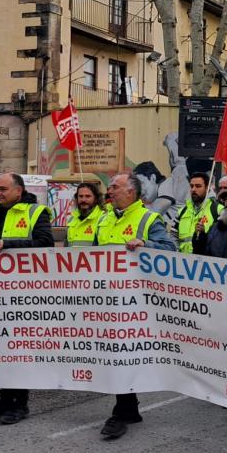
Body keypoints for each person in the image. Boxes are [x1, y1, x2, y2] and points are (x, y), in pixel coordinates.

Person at [95, 172, 176, 439]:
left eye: (116, 187)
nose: (110, 190)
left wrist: (146, 244)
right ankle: (129, 407)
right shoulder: (105, 218)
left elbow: (170, 250)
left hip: (135, 300)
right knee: (113, 351)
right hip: (106, 296)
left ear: (131, 192)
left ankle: (122, 411)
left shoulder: (148, 218)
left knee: (124, 350)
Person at [0, 173, 54, 425]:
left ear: (18, 191)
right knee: (0, 348)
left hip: (24, 293)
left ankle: (20, 404)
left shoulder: (35, 212)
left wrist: (9, 244)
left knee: (19, 351)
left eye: (3, 189)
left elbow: (45, 243)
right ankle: (4, 398)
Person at [176, 171, 221, 254]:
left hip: (206, 261)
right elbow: (173, 236)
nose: (193, 189)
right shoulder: (182, 211)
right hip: (182, 261)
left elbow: (221, 240)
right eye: (191, 186)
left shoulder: (217, 209)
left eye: (198, 186)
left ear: (207, 188)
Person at [66, 182, 104, 247]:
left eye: (88, 196)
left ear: (96, 198)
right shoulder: (71, 220)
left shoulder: (103, 218)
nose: (83, 200)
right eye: (80, 196)